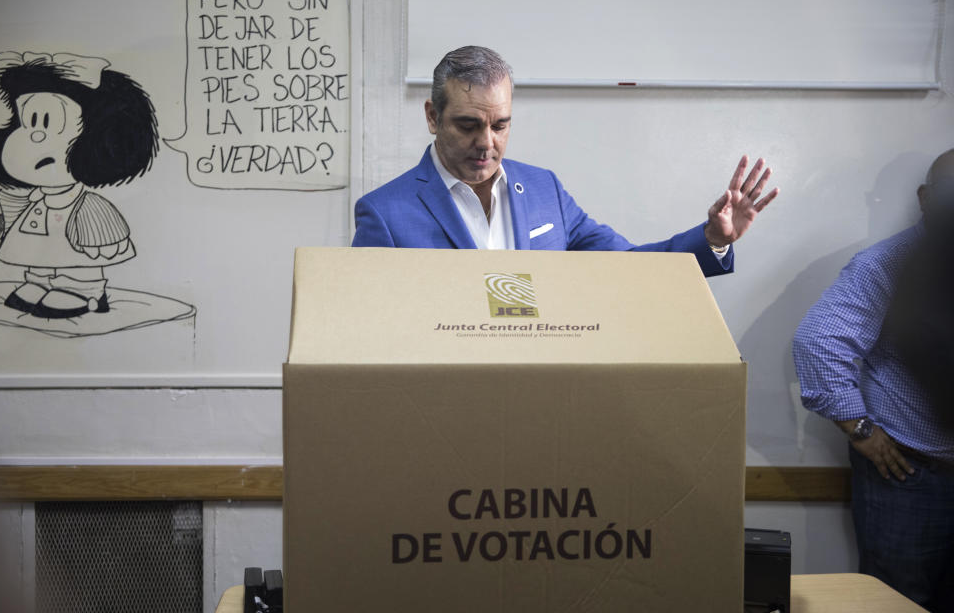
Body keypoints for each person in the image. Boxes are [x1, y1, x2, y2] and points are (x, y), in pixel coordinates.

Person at [352, 46, 778, 276]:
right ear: (432, 116)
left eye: (500, 125)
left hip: (545, 402)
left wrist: (712, 238)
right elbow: (368, 333)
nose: (487, 143)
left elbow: (631, 267)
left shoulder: (545, 192)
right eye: (468, 125)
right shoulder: (385, 213)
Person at [792, 149, 954, 612]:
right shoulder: (889, 263)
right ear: (925, 199)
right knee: (898, 603)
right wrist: (859, 428)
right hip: (912, 476)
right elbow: (818, 341)